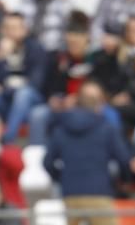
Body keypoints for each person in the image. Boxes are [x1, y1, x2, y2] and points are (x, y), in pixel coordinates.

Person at [44, 80, 132, 225]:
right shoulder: (107, 127)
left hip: (70, 194)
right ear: (99, 106)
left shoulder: (61, 129)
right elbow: (124, 160)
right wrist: (122, 182)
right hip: (98, 192)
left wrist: (61, 179)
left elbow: (47, 162)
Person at [0, 12, 47, 143]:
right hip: (4, 101)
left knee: (23, 93)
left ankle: (7, 139)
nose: (10, 32)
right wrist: (0, 57)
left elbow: (35, 84)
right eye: (7, 28)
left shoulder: (36, 49)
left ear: (25, 30)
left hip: (29, 101)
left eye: (15, 28)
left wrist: (4, 90)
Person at [30, 11, 94, 148]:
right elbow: (48, 87)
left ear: (86, 40)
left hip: (87, 104)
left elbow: (98, 87)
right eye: (70, 43)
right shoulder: (59, 59)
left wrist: (78, 99)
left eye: (76, 43)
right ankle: (37, 158)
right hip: (62, 103)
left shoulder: (96, 59)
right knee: (38, 114)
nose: (73, 47)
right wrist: (52, 98)